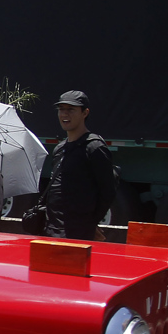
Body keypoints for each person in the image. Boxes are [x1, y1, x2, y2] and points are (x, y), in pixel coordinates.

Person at [44, 90, 117, 241]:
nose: (64, 114)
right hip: (52, 231)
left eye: (71, 109)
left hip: (78, 234)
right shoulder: (59, 148)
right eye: (61, 109)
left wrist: (90, 224)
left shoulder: (94, 147)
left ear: (85, 113)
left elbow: (107, 191)